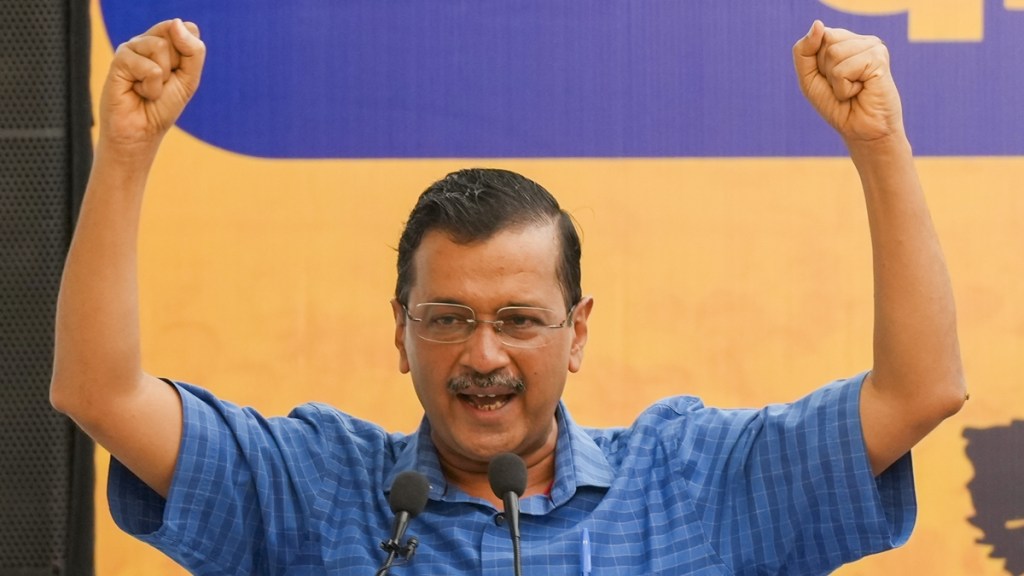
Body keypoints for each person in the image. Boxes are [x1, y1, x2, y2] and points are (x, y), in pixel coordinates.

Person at [51, 17, 966, 575]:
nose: (483, 355)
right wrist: (125, 150)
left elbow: (919, 392)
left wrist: (880, 146)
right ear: (401, 332)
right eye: (447, 319)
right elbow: (100, 395)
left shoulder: (692, 482)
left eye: (520, 321)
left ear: (578, 331)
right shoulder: (317, 488)